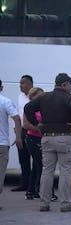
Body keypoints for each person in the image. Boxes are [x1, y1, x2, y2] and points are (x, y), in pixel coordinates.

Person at [24, 73, 71, 212]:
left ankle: (44, 203)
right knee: (65, 171)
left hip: (47, 137)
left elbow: (28, 108)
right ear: (63, 85)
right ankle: (65, 203)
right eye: (69, 84)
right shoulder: (68, 98)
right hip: (65, 136)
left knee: (47, 171)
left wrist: (38, 124)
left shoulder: (44, 97)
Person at [23, 87, 58, 201]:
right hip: (33, 138)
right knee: (42, 164)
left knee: (37, 165)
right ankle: (46, 191)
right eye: (39, 96)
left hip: (43, 139)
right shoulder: (30, 108)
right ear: (32, 97)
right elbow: (26, 125)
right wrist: (40, 129)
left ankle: (31, 190)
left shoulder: (44, 107)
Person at [0, 79, 22, 209]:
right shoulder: (5, 101)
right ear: (1, 87)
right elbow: (17, 118)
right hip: (2, 143)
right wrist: (18, 137)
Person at [11, 75, 33, 192]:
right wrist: (16, 130)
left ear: (30, 84)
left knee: (35, 157)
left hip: (32, 130)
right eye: (20, 83)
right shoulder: (20, 97)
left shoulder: (35, 96)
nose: (20, 85)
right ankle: (24, 183)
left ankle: (34, 184)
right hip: (22, 130)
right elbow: (18, 114)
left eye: (23, 83)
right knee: (23, 158)